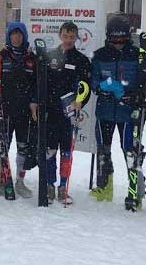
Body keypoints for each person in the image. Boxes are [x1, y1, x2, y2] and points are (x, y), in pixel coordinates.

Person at [89, 14, 146, 206]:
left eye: (122, 39)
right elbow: (93, 79)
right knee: (103, 149)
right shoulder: (100, 55)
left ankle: (134, 190)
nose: (119, 44)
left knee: (130, 150)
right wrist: (103, 87)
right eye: (115, 39)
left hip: (130, 112)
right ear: (108, 36)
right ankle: (105, 186)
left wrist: (140, 93)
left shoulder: (139, 56)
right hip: (105, 110)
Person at [0, 22, 38, 198]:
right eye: (13, 34)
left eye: (19, 34)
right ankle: (0, 179)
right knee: (1, 146)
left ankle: (20, 181)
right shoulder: (0, 57)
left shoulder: (31, 59)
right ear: (8, 36)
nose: (16, 37)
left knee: (23, 148)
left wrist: (35, 101)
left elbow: (37, 84)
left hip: (24, 113)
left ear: (24, 36)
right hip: (3, 110)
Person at [41, 22, 91, 204]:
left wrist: (80, 101)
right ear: (60, 35)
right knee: (50, 151)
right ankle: (49, 185)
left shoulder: (81, 60)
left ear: (76, 37)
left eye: (72, 37)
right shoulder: (50, 55)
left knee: (66, 152)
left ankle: (63, 186)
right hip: (52, 112)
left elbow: (86, 86)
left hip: (69, 113)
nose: (68, 40)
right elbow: (42, 82)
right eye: (66, 36)